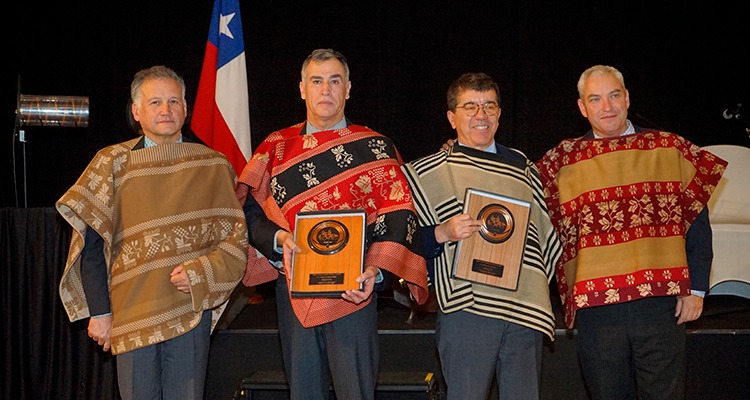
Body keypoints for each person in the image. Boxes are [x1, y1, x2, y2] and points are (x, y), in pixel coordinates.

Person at [236, 48, 429, 400]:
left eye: (335, 81)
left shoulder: (375, 147)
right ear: (302, 89)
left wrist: (376, 272)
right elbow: (248, 211)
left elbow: (399, 216)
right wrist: (278, 238)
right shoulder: (275, 148)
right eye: (317, 81)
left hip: (355, 293)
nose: (326, 90)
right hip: (293, 291)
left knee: (356, 392)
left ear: (349, 88)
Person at [56, 65, 252, 400]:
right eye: (155, 103)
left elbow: (236, 242)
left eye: (174, 102)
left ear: (186, 109)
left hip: (189, 313)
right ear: (136, 111)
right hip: (130, 313)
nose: (166, 110)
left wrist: (200, 273)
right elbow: (90, 248)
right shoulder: (111, 163)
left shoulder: (212, 165)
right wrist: (100, 313)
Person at [535, 64, 728, 400]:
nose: (606, 107)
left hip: (661, 306)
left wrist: (696, 288)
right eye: (595, 99)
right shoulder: (562, 162)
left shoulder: (667, 148)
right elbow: (518, 192)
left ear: (626, 98)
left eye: (613, 96)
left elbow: (697, 223)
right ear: (582, 107)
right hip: (598, 311)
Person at [401, 72, 562, 400]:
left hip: (523, 309)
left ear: (500, 114)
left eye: (489, 106)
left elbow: (544, 236)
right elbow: (403, 240)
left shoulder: (523, 167)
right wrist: (442, 232)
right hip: (467, 312)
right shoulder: (429, 172)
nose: (481, 115)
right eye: (470, 107)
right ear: (452, 117)